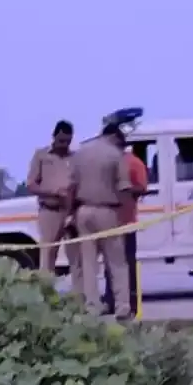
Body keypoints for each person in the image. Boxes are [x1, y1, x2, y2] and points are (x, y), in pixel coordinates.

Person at [69, 121, 135, 319]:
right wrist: (124, 215)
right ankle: (122, 306)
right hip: (107, 210)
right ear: (114, 137)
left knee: (88, 262)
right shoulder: (115, 154)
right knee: (117, 262)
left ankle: (92, 305)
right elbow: (124, 187)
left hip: (83, 210)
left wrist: (71, 214)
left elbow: (71, 186)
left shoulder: (80, 152)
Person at [104, 141, 149, 317]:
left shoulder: (134, 162)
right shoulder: (105, 162)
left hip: (127, 221)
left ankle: (131, 302)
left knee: (128, 263)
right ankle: (111, 301)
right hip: (108, 222)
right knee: (109, 263)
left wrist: (124, 190)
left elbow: (142, 187)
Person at [26, 120, 75, 276]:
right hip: (49, 212)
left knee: (76, 255)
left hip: (71, 212)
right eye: (61, 141)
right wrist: (53, 192)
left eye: (67, 141)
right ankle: (46, 287)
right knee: (48, 256)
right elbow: (31, 185)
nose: (64, 145)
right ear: (54, 137)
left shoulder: (75, 158)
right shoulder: (41, 156)